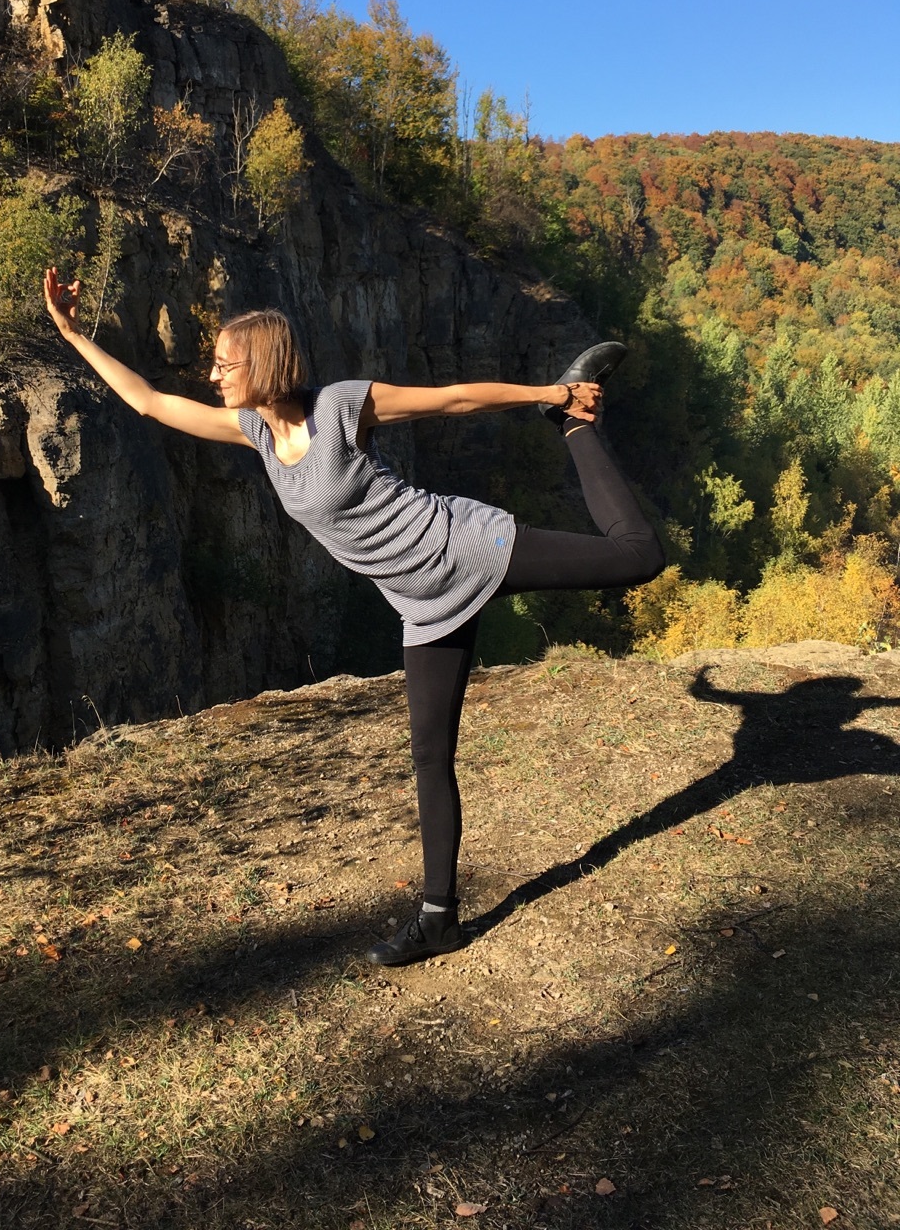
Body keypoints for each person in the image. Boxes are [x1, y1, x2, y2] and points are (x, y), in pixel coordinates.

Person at [43, 269, 665, 965]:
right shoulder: (254, 432)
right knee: (430, 755)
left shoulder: (339, 407)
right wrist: (71, 332)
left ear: (265, 363)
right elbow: (151, 403)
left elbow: (452, 401)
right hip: (421, 605)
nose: (213, 376)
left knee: (639, 557)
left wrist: (551, 395)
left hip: (463, 546)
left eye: (225, 364)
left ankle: (575, 430)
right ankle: (438, 920)